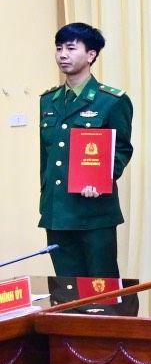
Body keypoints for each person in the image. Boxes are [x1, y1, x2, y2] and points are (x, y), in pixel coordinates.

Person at [38, 22, 133, 280]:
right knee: (67, 288)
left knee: (102, 288)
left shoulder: (111, 101)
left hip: (94, 213)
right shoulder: (48, 100)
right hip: (57, 212)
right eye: (59, 48)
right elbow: (46, 157)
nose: (63, 55)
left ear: (91, 55)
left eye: (71, 48)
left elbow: (122, 149)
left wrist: (102, 178)